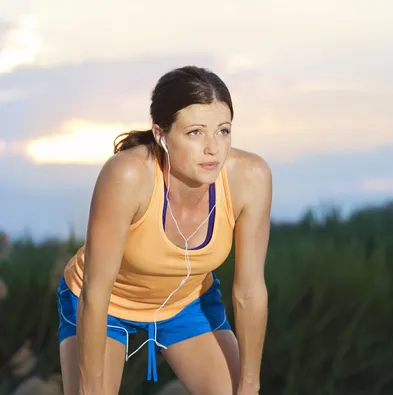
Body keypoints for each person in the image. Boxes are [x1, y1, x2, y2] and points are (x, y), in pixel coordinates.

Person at [55, 65, 271, 395]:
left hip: (186, 303)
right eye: (195, 132)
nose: (213, 147)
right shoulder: (128, 176)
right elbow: (96, 292)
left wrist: (250, 386)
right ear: (161, 135)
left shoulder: (250, 177)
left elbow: (250, 291)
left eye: (223, 130)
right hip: (103, 304)